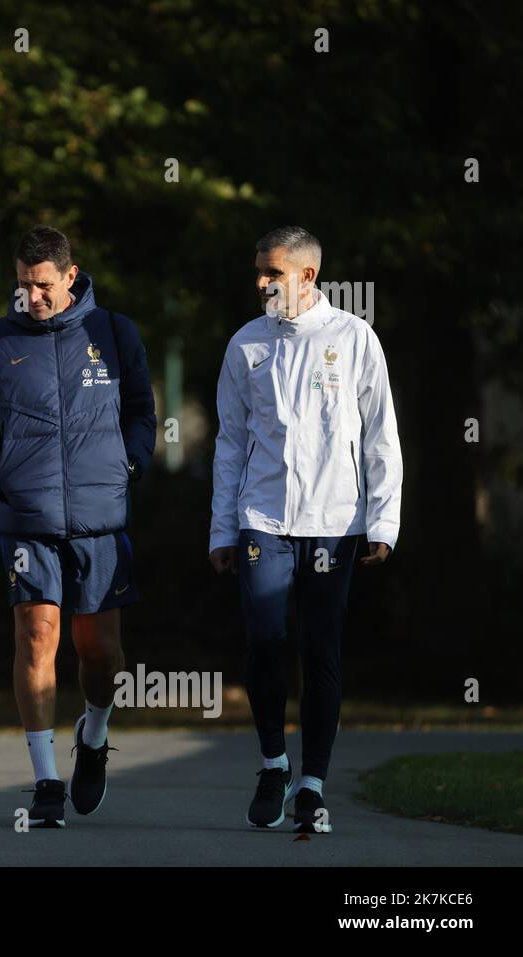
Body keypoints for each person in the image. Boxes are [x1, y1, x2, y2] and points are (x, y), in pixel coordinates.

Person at [0, 225, 156, 828]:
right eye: (22, 285)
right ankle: (44, 780)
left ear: (70, 277)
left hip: (101, 519)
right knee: (36, 638)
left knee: (100, 651)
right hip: (27, 517)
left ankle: (93, 737)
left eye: (43, 285)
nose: (32, 297)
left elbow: (143, 412)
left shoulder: (113, 333)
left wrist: (131, 464)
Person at [210, 226, 402, 833]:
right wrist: (220, 528)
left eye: (274, 272)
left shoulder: (353, 338)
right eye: (259, 272)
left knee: (321, 646)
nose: (263, 283)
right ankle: (273, 764)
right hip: (262, 519)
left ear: (308, 276)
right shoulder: (246, 345)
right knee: (265, 637)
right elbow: (230, 443)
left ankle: (313, 785)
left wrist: (384, 519)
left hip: (334, 523)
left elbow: (380, 437)